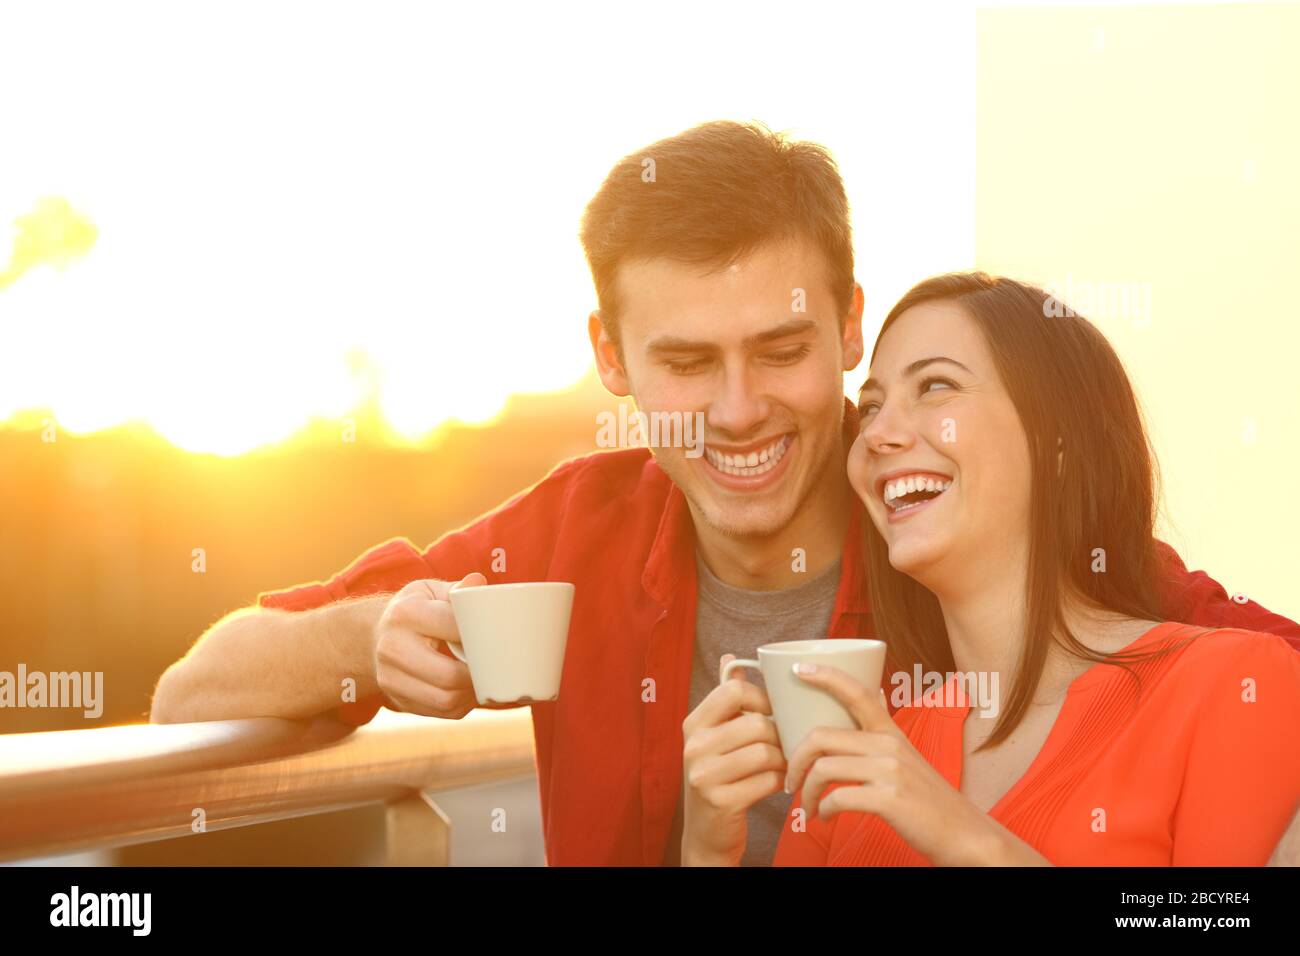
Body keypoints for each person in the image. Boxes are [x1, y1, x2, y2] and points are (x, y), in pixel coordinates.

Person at [149, 123, 1300, 866]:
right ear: (612, 357)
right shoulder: (568, 534)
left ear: (850, 320)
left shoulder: (952, 515)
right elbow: (188, 691)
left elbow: (1225, 671)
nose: (741, 408)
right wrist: (369, 637)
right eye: (689, 362)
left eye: (783, 347)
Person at [694, 271, 1298, 866]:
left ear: (1057, 439)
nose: (877, 433)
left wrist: (967, 839)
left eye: (934, 387)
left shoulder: (1238, 683)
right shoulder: (864, 757)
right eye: (872, 405)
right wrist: (705, 852)